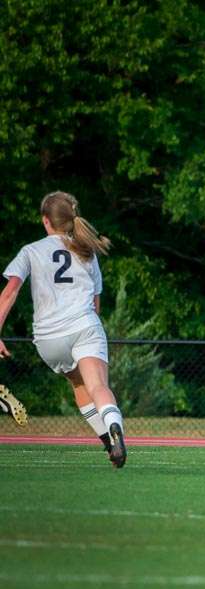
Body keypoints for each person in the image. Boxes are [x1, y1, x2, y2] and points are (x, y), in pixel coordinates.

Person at [0, 192, 126, 467]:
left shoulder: (31, 250)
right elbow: (95, 302)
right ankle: (115, 430)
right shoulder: (86, 250)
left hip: (48, 339)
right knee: (98, 386)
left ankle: (107, 444)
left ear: (46, 221)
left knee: (78, 383)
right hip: (84, 325)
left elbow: (9, 293)